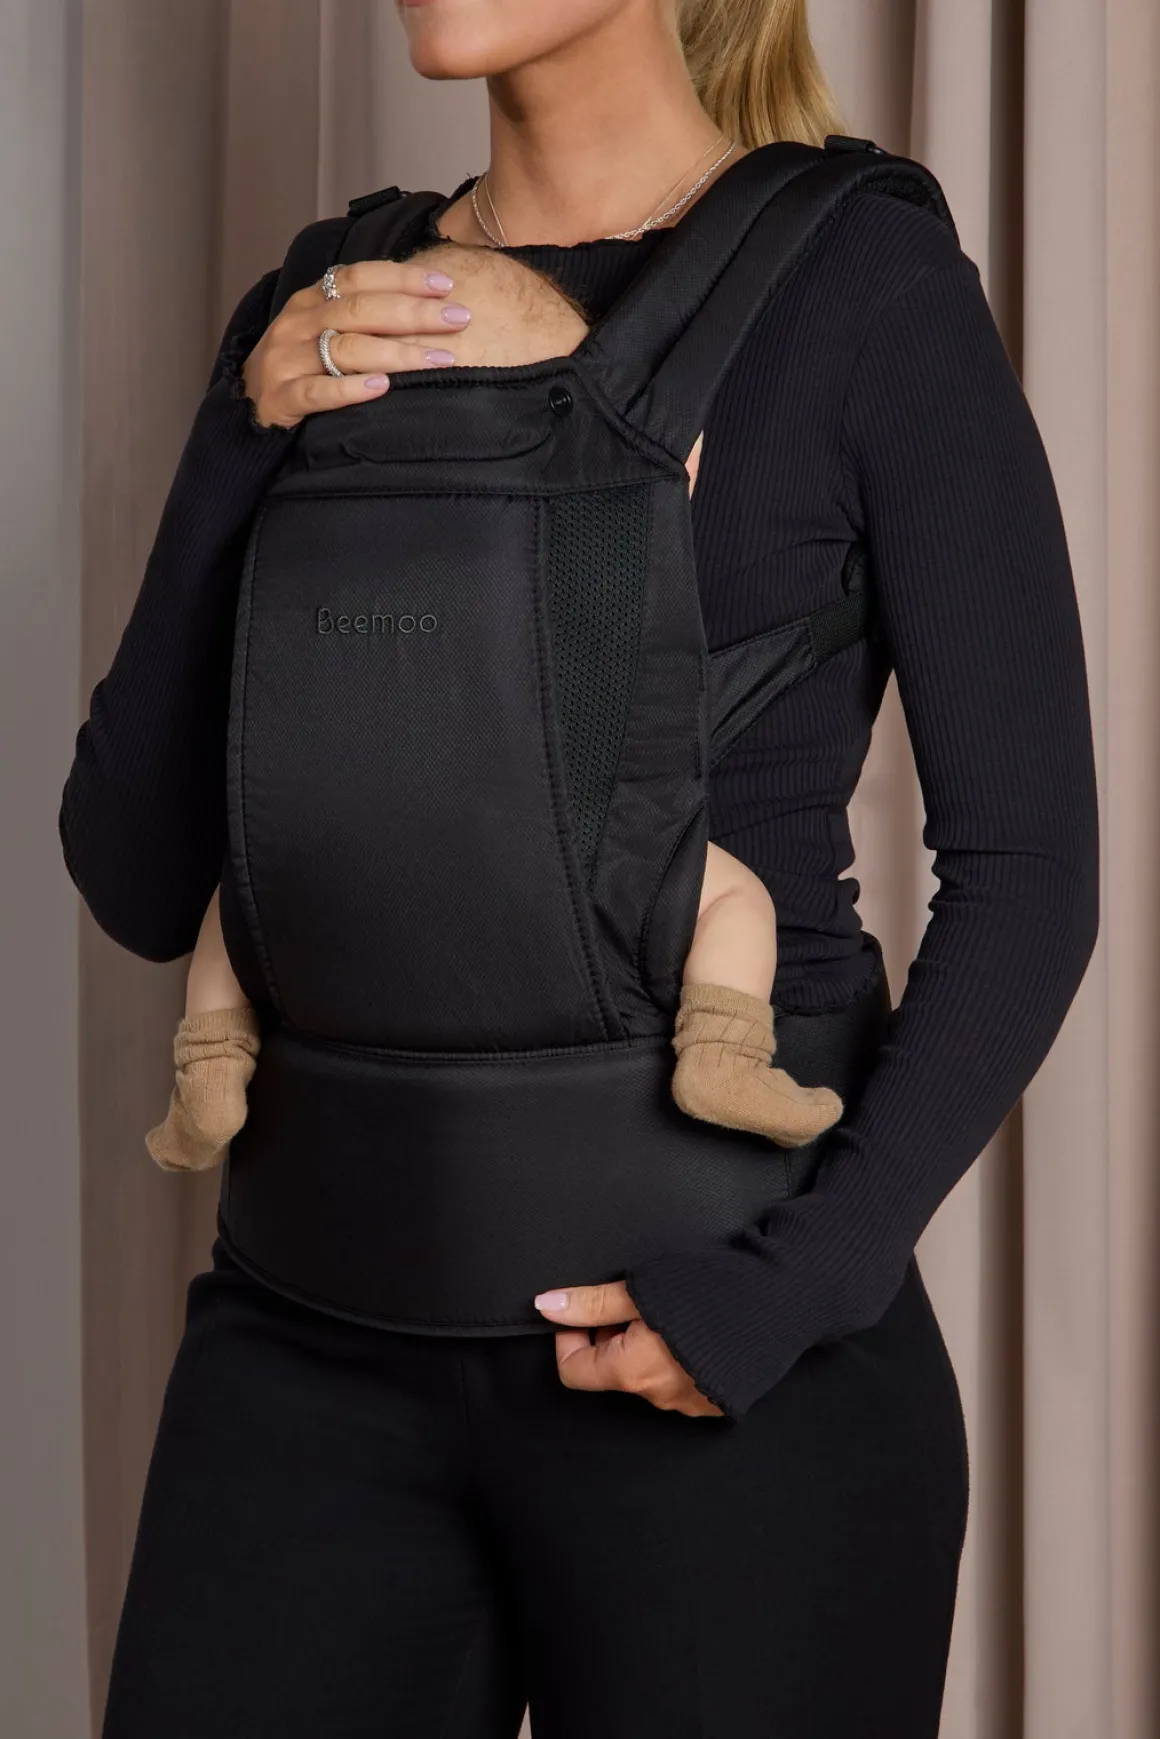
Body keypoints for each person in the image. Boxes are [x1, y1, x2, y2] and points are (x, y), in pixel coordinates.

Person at [59, 1, 1099, 1734]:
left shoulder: (864, 285)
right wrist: (242, 441)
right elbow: (133, 871)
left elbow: (1029, 867)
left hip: (725, 1353)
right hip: (305, 1351)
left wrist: (799, 1282)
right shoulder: (324, 305)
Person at [143, 241, 843, 1175]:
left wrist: (247, 436)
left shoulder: (318, 466)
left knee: (241, 897)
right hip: (563, 875)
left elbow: (143, 874)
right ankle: (724, 1053)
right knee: (735, 898)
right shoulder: (614, 500)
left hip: (322, 857)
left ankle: (210, 1062)